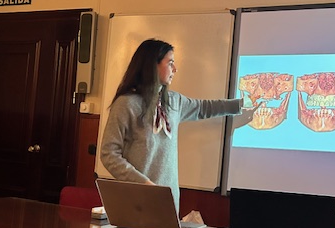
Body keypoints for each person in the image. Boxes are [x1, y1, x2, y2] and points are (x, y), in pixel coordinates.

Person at [100, 38, 255, 211]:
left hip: (168, 200)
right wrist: (143, 183)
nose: (175, 69)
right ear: (152, 65)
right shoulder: (126, 104)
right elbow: (109, 154)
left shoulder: (174, 102)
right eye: (170, 63)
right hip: (136, 200)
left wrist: (242, 104)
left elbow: (204, 108)